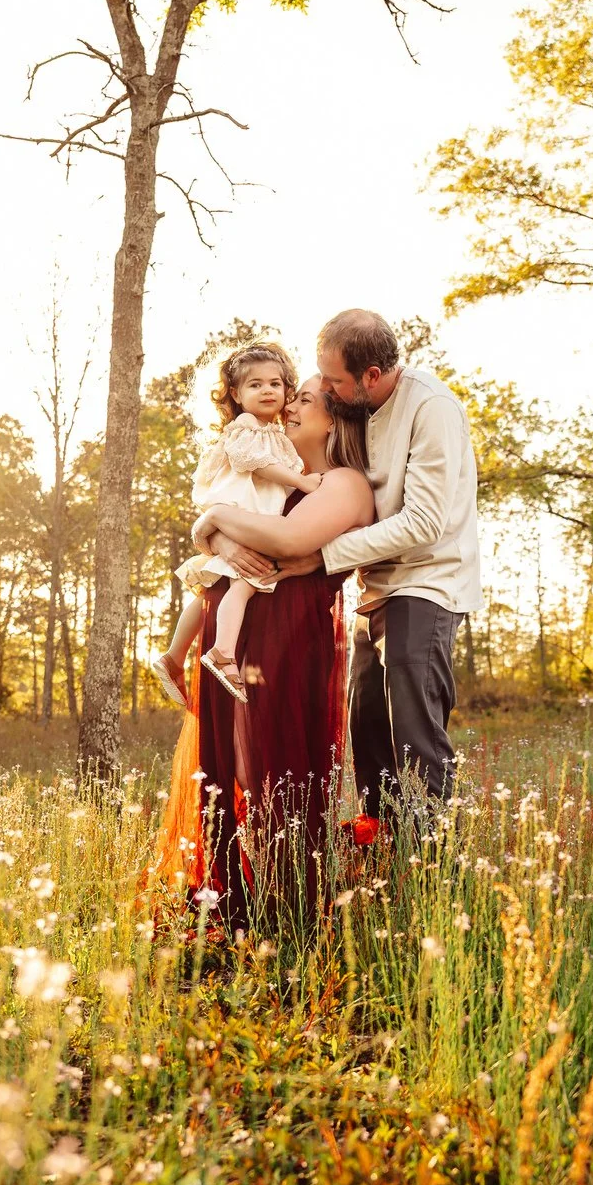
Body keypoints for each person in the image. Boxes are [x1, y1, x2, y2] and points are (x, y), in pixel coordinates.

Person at [195, 310, 482, 820]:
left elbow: (422, 524)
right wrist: (214, 527)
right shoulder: (348, 420)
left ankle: (431, 873)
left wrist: (319, 559)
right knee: (368, 733)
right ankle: (380, 856)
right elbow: (259, 513)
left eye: (330, 382)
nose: (318, 390)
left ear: (370, 375)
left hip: (426, 584)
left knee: (412, 736)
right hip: (376, 591)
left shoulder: (429, 408)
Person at [153, 374, 373, 917]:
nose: (289, 406)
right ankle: (228, 900)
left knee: (276, 773)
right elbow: (221, 541)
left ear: (334, 418)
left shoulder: (342, 481)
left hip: (289, 637)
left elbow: (285, 543)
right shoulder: (272, 483)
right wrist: (218, 531)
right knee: (227, 769)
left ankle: (288, 904)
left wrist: (214, 521)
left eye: (303, 399)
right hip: (236, 629)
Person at [151, 342, 317, 708]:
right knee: (243, 585)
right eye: (255, 385)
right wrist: (304, 482)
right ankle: (222, 652)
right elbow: (252, 462)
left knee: (213, 588)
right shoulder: (247, 428)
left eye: (275, 383)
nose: (267, 391)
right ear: (237, 395)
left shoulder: (271, 432)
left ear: (287, 389)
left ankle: (173, 657)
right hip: (242, 509)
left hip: (246, 512)